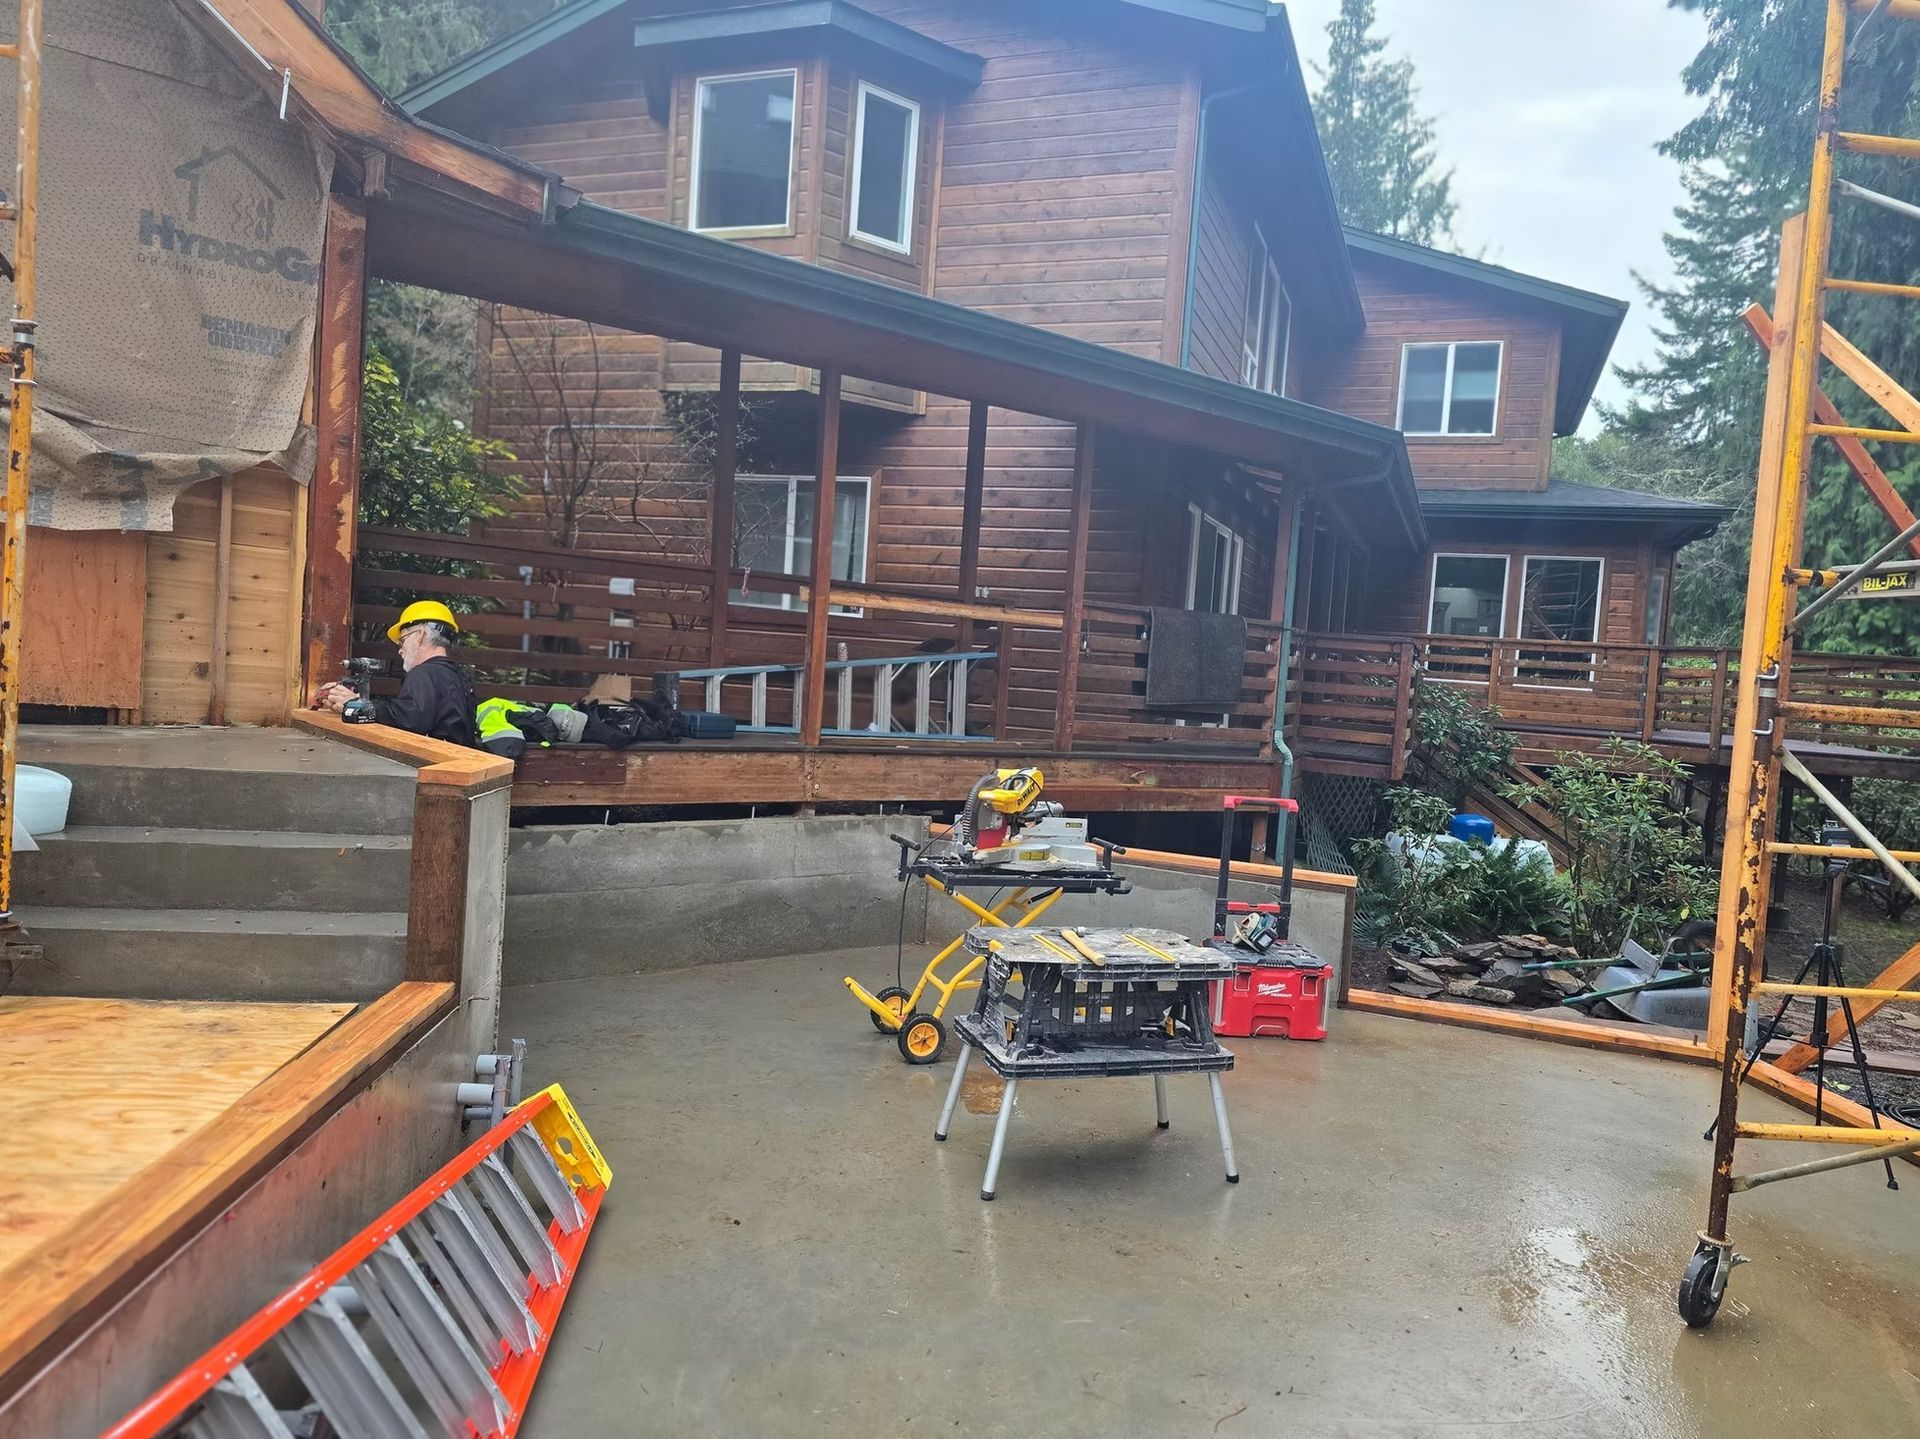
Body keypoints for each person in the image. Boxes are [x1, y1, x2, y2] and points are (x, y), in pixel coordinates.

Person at [312, 600, 478, 747]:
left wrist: (356, 705)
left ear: (420, 635)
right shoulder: (458, 676)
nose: (400, 650)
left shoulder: (424, 673)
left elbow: (407, 720)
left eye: (402, 641)